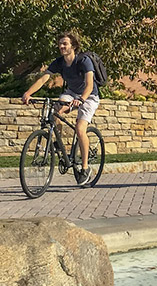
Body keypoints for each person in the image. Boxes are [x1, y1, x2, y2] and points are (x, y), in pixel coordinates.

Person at [22, 31, 99, 186]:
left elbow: (90, 84)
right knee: (54, 111)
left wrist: (81, 99)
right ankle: (58, 142)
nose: (62, 46)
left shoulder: (84, 60)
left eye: (65, 44)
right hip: (71, 93)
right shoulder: (59, 62)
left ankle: (85, 168)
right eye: (60, 44)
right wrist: (28, 93)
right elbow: (44, 78)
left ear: (73, 46)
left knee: (80, 129)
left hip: (89, 96)